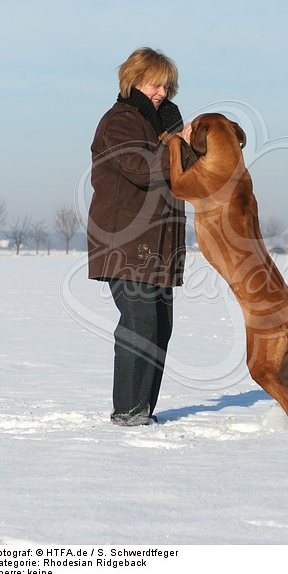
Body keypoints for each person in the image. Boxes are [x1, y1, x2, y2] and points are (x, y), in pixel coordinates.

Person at [87, 47, 197, 426]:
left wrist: (194, 147)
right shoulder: (120, 121)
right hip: (125, 244)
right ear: (133, 81)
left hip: (159, 247)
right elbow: (140, 167)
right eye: (155, 84)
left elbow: (185, 171)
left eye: (167, 86)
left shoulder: (160, 127)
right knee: (140, 326)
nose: (162, 92)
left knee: (160, 328)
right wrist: (179, 147)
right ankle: (127, 413)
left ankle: (143, 412)